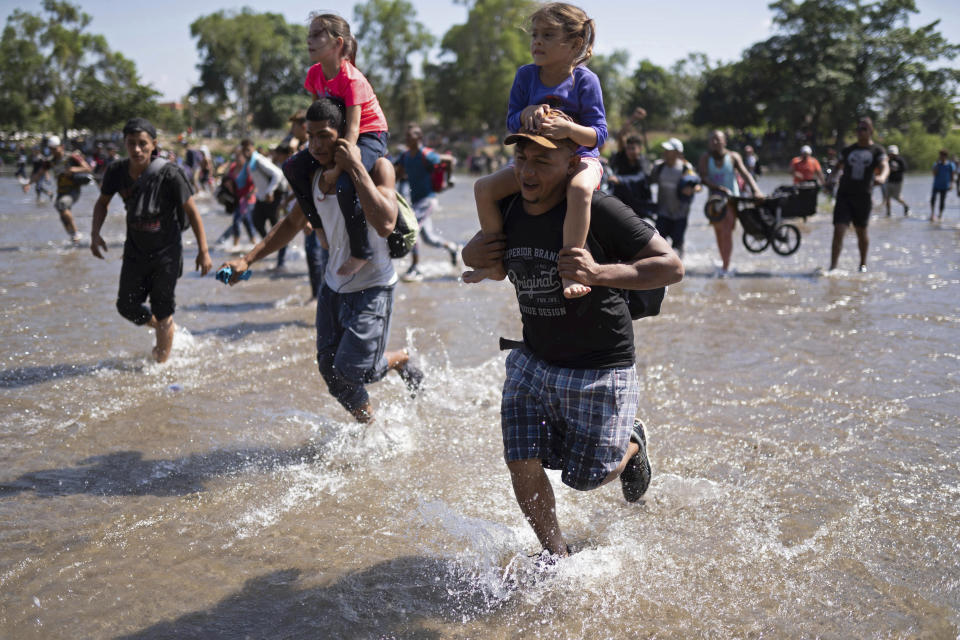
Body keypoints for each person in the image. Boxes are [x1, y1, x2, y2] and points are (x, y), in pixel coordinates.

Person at [461, 126, 683, 559]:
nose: (527, 171)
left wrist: (597, 273)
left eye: (543, 161)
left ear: (572, 166)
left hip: (601, 365)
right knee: (520, 458)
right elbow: (480, 252)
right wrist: (474, 256)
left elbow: (671, 266)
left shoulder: (600, 211)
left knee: (585, 477)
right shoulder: (507, 208)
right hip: (533, 359)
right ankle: (555, 555)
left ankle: (633, 441)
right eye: (522, 159)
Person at [221, 98, 423, 424]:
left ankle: (399, 359)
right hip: (333, 287)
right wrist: (247, 259)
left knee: (355, 368)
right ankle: (370, 427)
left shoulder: (378, 166)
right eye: (310, 136)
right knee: (331, 372)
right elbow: (290, 224)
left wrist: (355, 167)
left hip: (373, 285)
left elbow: (386, 222)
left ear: (343, 133)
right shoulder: (315, 177)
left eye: (325, 136)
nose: (315, 145)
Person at [465, 2, 606, 300]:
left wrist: (570, 131)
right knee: (483, 188)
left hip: (580, 159)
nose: (537, 42)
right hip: (533, 160)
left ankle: (571, 270)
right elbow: (511, 121)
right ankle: (493, 263)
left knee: (580, 191)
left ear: (575, 44)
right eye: (535, 35)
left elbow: (599, 135)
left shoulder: (585, 81)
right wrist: (526, 112)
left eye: (548, 35)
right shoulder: (526, 76)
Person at [90, 118, 213, 363]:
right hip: (135, 251)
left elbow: (192, 211)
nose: (137, 149)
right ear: (124, 143)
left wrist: (204, 251)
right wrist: (95, 234)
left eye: (142, 144)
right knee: (125, 306)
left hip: (166, 253)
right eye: (131, 143)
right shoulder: (116, 172)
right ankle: (164, 327)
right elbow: (102, 203)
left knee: (163, 309)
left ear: (153, 144)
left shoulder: (170, 174)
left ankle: (161, 366)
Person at [283, 13, 390, 278]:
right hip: (338, 135)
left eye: (317, 34)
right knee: (292, 168)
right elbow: (317, 116)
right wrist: (312, 147)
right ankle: (317, 226)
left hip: (369, 135)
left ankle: (361, 251)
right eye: (309, 34)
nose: (309, 40)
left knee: (345, 185)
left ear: (337, 43)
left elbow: (353, 131)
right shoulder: (314, 75)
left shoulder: (352, 79)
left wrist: (336, 171)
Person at [394, 123, 460, 281]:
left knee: (411, 228)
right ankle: (452, 248)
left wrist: (448, 181)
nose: (408, 139)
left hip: (428, 200)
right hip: (416, 202)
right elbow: (398, 173)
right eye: (407, 137)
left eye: (411, 137)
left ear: (419, 138)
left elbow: (449, 160)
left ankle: (415, 267)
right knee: (428, 238)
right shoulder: (405, 156)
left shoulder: (427, 154)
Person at [698, 130, 763, 276]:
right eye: (712, 140)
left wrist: (756, 190)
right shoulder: (705, 158)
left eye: (718, 140)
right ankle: (724, 262)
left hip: (731, 199)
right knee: (719, 232)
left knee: (727, 231)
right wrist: (716, 187)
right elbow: (703, 177)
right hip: (714, 201)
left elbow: (746, 174)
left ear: (724, 142)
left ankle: (726, 267)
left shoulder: (733, 156)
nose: (715, 143)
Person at [829, 117, 888, 272]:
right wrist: (830, 180)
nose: (860, 132)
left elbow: (884, 165)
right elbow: (837, 167)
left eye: (864, 129)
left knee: (861, 231)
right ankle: (833, 267)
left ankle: (862, 264)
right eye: (858, 129)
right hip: (844, 195)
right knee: (838, 229)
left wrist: (882, 177)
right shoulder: (848, 150)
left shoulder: (877, 150)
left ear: (871, 131)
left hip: (863, 196)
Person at [23, 135, 94, 244]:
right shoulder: (50, 161)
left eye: (55, 149)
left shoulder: (72, 157)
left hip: (73, 190)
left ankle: (76, 233)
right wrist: (29, 183)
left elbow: (88, 168)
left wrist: (73, 169)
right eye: (51, 149)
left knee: (62, 205)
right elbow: (38, 174)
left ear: (61, 147)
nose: (53, 152)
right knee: (62, 214)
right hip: (61, 191)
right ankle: (73, 238)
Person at [237, 139, 288, 271]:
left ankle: (280, 262)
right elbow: (258, 180)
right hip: (262, 198)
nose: (246, 153)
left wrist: (270, 191)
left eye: (248, 149)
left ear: (253, 148)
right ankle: (271, 246)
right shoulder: (250, 163)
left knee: (279, 229)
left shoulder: (259, 160)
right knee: (257, 222)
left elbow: (278, 174)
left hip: (273, 197)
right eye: (244, 150)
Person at [650, 138, 700, 257]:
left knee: (677, 244)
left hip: (680, 213)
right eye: (665, 149)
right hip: (663, 212)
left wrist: (691, 189)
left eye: (669, 150)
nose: (665, 152)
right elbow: (649, 182)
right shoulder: (658, 167)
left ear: (677, 153)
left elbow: (698, 186)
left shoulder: (686, 168)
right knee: (659, 243)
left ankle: (679, 265)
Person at [606, 134, 654, 219]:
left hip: (639, 208)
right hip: (621, 206)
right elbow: (620, 136)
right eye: (628, 148)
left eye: (633, 148)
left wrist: (620, 179)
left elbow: (642, 176)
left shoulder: (643, 161)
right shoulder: (621, 159)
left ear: (640, 149)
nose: (629, 151)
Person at [930, 149, 956, 222]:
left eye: (942, 155)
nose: (941, 157)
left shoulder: (950, 165)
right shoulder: (936, 164)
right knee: (933, 199)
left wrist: (951, 184)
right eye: (940, 155)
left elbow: (952, 176)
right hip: (936, 185)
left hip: (944, 186)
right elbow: (934, 174)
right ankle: (932, 214)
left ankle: (940, 215)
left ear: (946, 156)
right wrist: (937, 165)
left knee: (942, 201)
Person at [884, 145, 909, 217]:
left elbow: (905, 169)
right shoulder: (887, 160)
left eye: (893, 154)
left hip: (898, 182)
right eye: (890, 154)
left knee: (896, 197)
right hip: (889, 181)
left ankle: (905, 205)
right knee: (887, 197)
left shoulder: (900, 160)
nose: (891, 155)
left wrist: (896, 170)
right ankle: (888, 213)